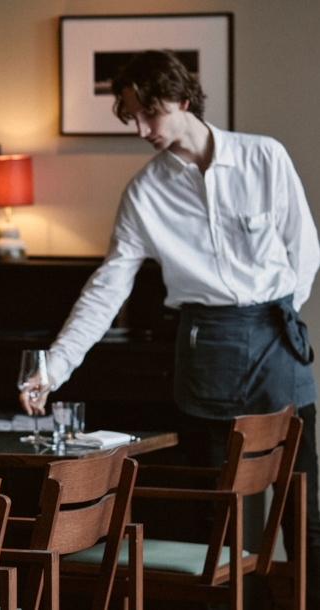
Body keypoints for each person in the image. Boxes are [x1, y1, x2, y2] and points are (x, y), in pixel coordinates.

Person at [19, 50, 320, 608]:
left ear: (182, 100)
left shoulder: (264, 158)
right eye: (129, 116)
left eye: (148, 113)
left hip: (278, 340)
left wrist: (273, 315)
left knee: (304, 505)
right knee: (221, 509)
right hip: (207, 350)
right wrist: (52, 368)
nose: (139, 129)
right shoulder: (144, 192)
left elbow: (304, 252)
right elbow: (108, 288)